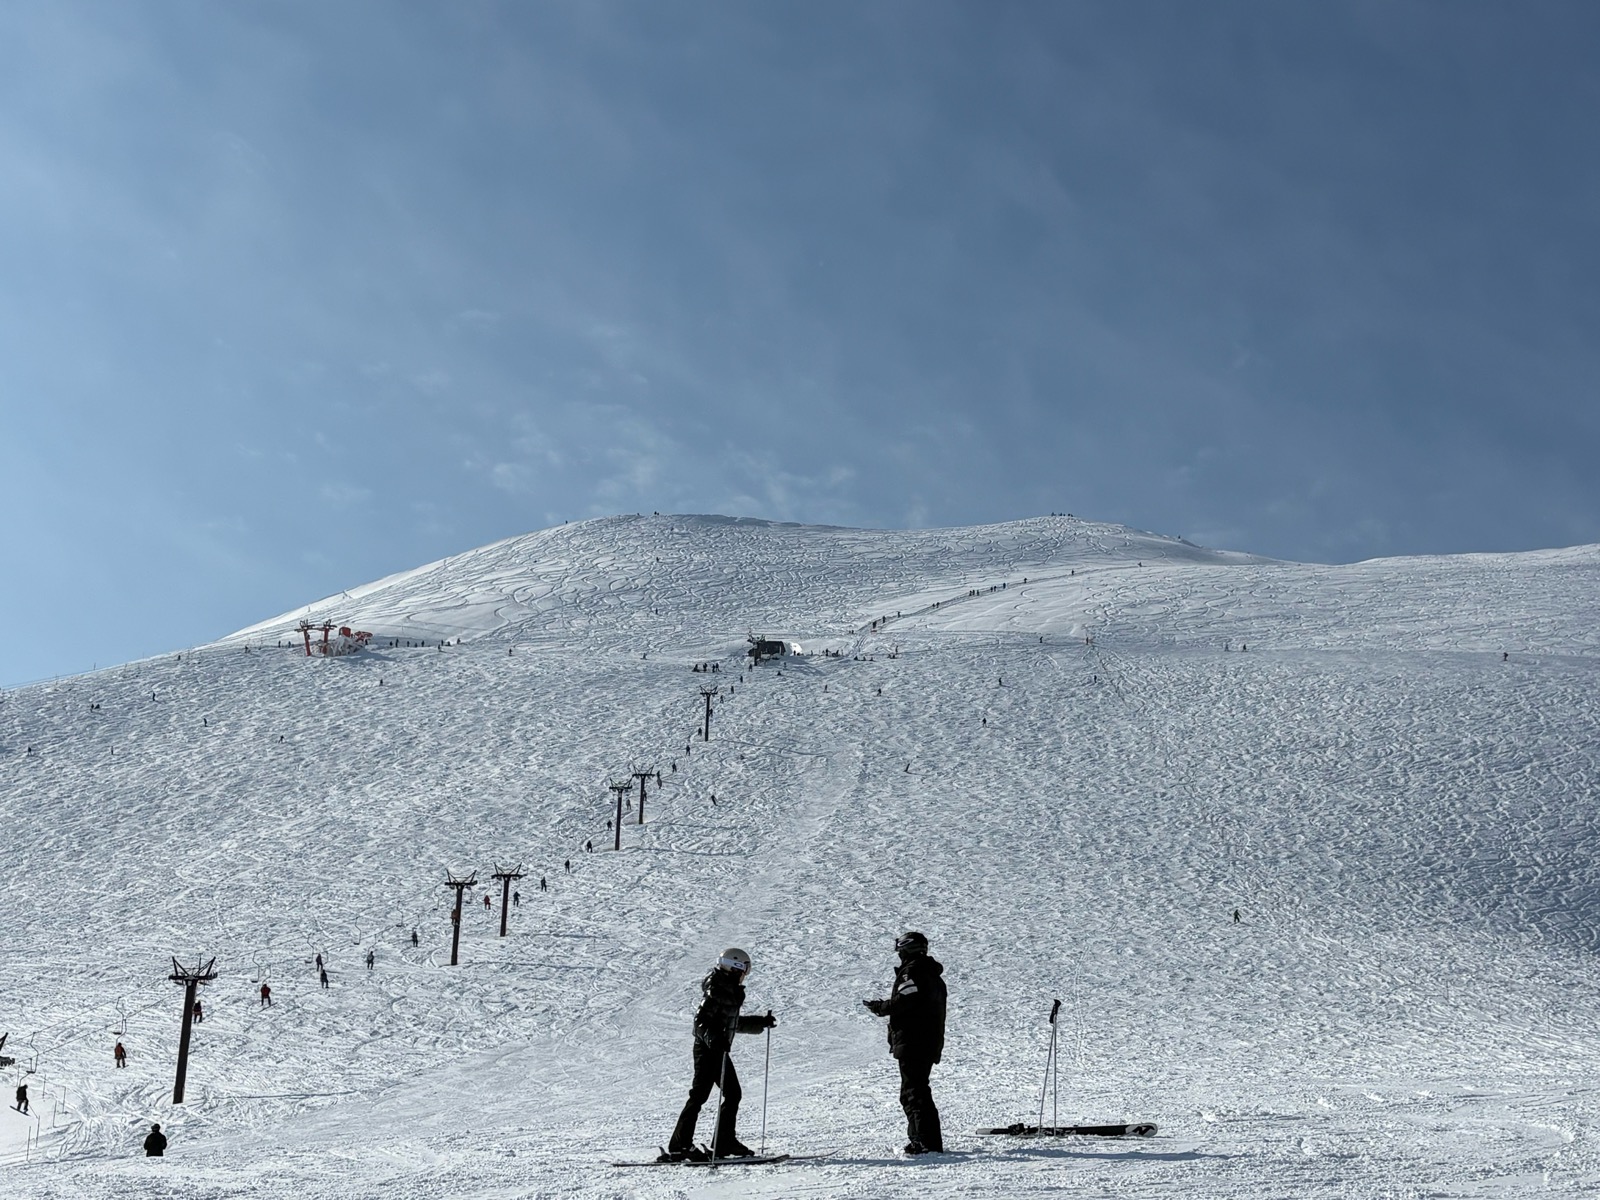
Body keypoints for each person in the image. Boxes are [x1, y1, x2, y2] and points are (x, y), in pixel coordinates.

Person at [661, 948, 777, 1162]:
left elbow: (730, 1023)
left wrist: (759, 1022)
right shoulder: (717, 990)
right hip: (708, 1050)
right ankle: (681, 1145)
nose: (746, 974)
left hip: (717, 1049)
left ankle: (722, 1141)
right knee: (701, 1095)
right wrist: (714, 1039)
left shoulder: (728, 990)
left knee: (732, 1094)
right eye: (745, 969)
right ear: (736, 967)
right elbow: (700, 1023)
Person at [864, 931, 946, 1154]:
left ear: (906, 949)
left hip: (914, 1041)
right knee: (918, 1090)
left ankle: (924, 1142)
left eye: (900, 949)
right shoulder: (932, 975)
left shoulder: (913, 971)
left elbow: (905, 1001)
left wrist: (881, 1007)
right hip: (927, 1040)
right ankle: (928, 1141)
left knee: (913, 1092)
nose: (899, 954)